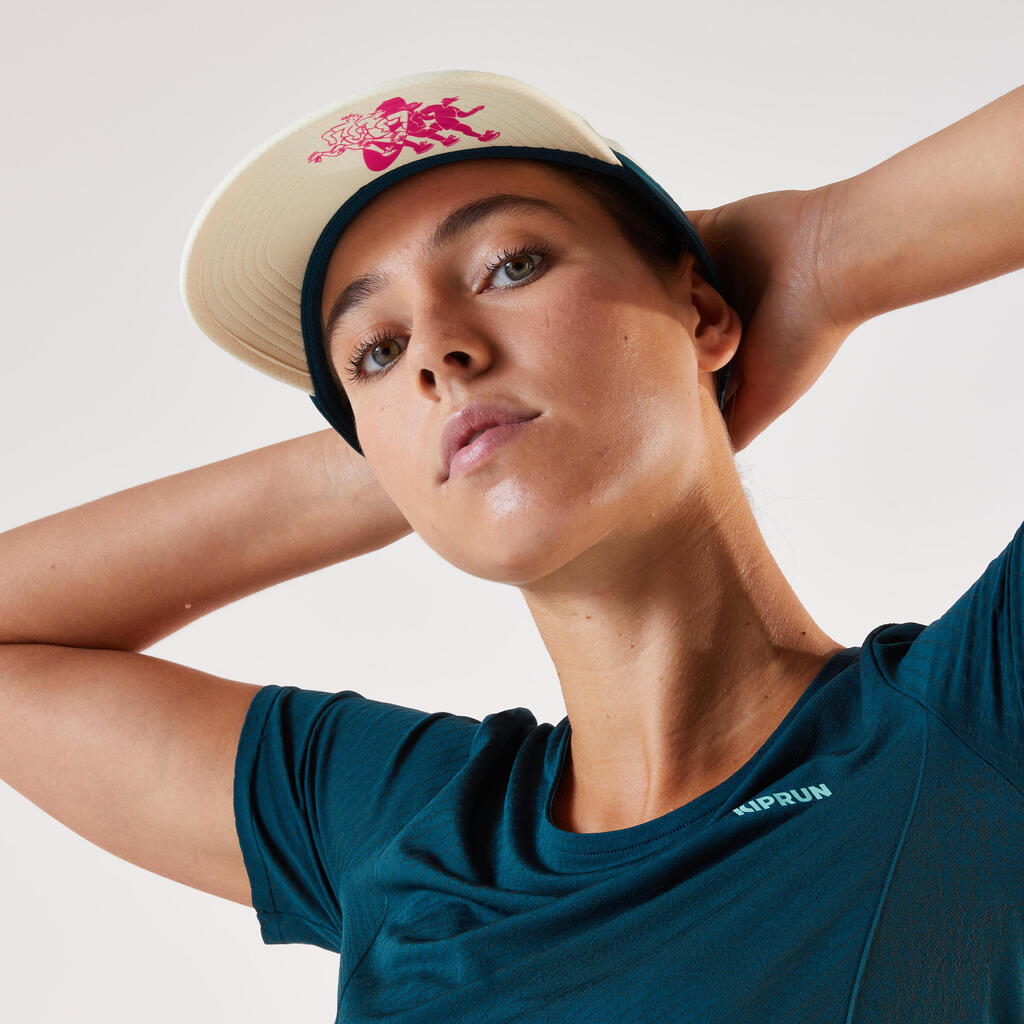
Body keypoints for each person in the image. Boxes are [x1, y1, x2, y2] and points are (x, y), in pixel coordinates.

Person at [1, 69, 1022, 1021]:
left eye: (511, 265)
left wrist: (821, 254)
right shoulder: (418, 836)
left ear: (705, 309)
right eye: (378, 350)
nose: (437, 354)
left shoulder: (979, 718)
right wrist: (415, 441)